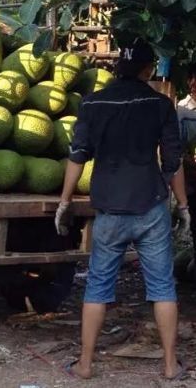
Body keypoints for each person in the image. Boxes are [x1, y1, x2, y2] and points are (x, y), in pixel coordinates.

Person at [54, 38, 190, 381]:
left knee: (98, 286)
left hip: (110, 209)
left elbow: (77, 156)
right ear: (147, 70)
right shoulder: (160, 105)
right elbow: (173, 163)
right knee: (162, 287)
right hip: (151, 207)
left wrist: (65, 201)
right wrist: (184, 206)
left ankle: (85, 365)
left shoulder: (92, 104)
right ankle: (171, 365)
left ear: (118, 67)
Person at [177, 64, 196, 280]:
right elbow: (174, 150)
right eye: (191, 78)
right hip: (192, 182)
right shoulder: (181, 109)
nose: (193, 83)